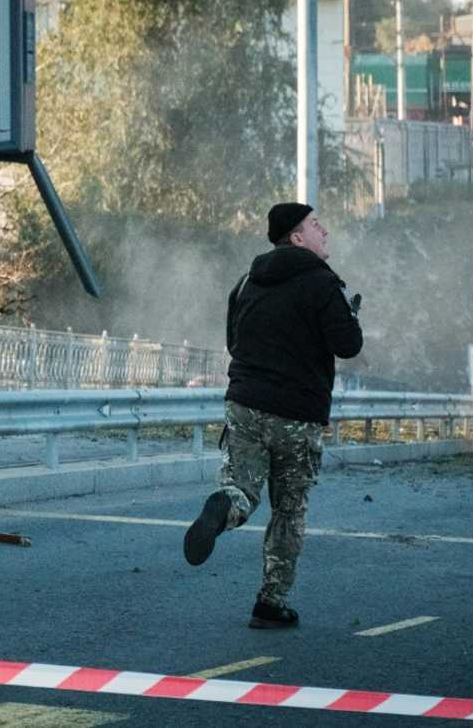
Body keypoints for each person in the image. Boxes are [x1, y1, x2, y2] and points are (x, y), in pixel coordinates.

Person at [184, 203, 363, 629]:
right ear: (297, 238)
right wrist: (350, 315)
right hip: (296, 415)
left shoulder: (247, 281)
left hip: (244, 404)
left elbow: (233, 341)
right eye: (316, 225)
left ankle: (223, 506)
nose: (324, 230)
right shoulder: (323, 284)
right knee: (288, 510)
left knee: (243, 489)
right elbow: (348, 345)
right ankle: (271, 601)